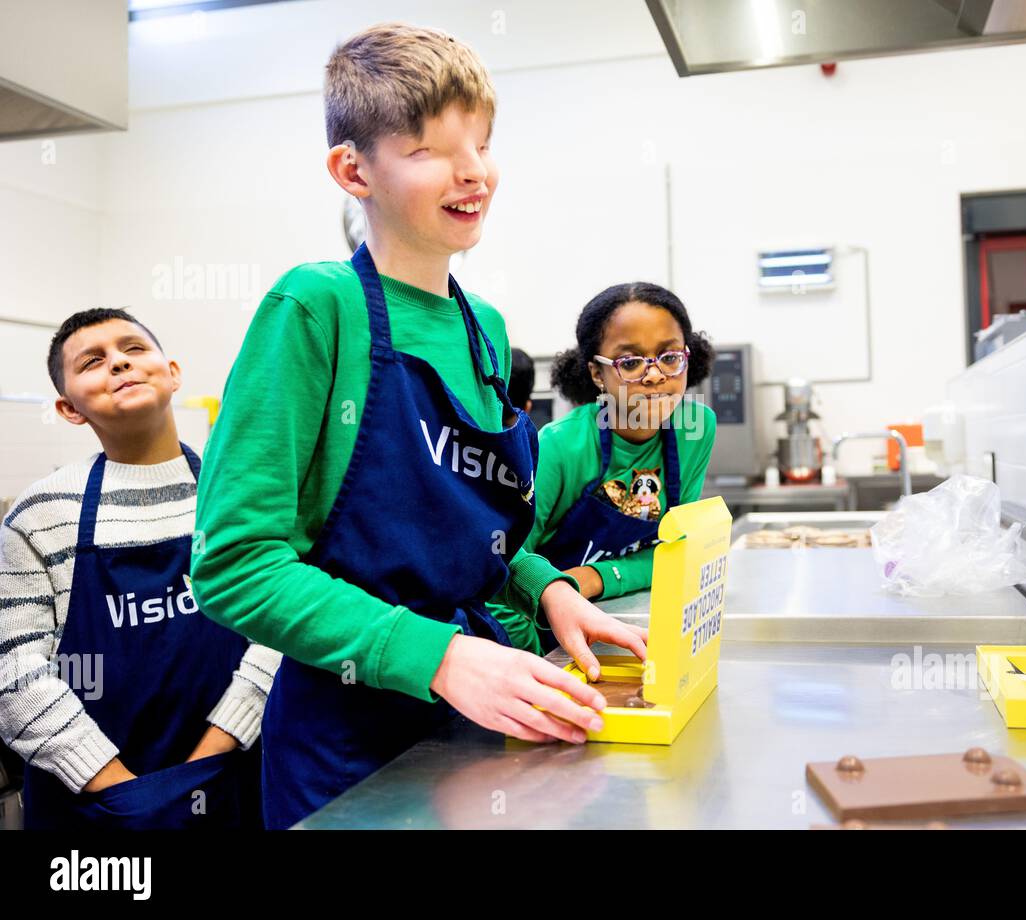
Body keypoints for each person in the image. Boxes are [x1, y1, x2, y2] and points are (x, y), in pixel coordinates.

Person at [189, 23, 647, 830]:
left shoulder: (487, 331)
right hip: (348, 738)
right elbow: (234, 567)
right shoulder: (316, 308)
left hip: (479, 709)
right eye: (431, 149)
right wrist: (435, 657)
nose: (473, 170)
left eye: (481, 141)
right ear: (352, 169)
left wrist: (546, 592)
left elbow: (473, 541)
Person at [0, 308, 279, 829]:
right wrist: (128, 797)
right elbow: (12, 670)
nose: (119, 365)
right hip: (93, 809)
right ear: (69, 408)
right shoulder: (39, 516)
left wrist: (207, 765)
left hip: (233, 780)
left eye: (133, 349)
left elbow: (279, 629)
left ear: (172, 372)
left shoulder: (237, 495)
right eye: (93, 361)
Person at [486, 282, 715, 652]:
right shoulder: (560, 446)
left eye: (669, 357)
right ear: (596, 372)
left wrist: (596, 577)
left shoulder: (696, 430)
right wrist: (538, 657)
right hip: (540, 637)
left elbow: (678, 550)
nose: (655, 375)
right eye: (630, 362)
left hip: (622, 623)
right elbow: (503, 567)